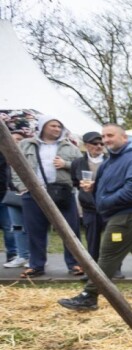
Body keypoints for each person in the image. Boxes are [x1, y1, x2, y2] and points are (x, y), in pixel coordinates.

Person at [57, 123, 132, 310]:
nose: (106, 140)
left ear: (124, 138)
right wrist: (95, 188)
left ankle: (89, 296)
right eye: (103, 136)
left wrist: (107, 200)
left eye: (110, 136)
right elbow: (114, 182)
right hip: (131, 212)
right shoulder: (115, 158)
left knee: (108, 254)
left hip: (128, 214)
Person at [13, 116, 83, 278]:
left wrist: (65, 164)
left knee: (70, 229)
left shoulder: (69, 147)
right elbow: (15, 165)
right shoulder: (26, 144)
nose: (57, 129)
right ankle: (36, 265)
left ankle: (75, 264)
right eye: (53, 126)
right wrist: (22, 187)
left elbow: (81, 166)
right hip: (34, 192)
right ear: (43, 126)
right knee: (35, 230)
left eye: (59, 126)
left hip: (63, 192)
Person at [3, 129, 29, 269]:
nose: (15, 142)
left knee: (33, 227)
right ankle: (21, 255)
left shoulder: (29, 156)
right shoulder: (4, 158)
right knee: (16, 227)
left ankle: (35, 256)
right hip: (12, 196)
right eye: (12, 139)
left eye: (19, 139)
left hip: (28, 195)